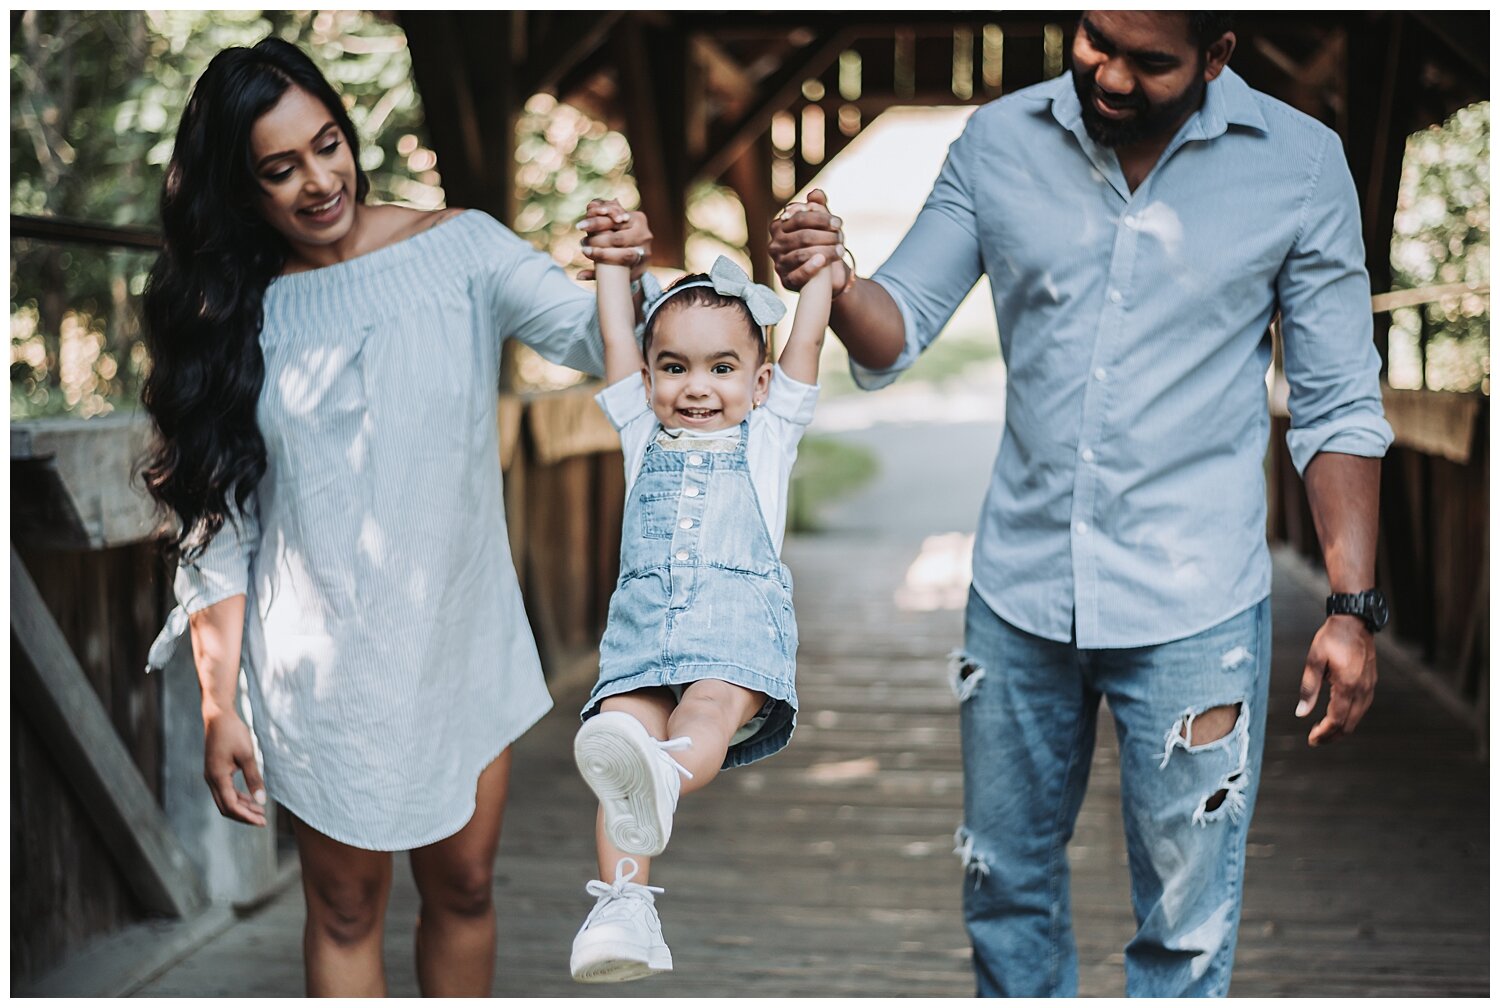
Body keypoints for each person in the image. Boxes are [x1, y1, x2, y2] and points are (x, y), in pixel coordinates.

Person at [768, 11, 1392, 998]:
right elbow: (894, 331)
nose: (1107, 74)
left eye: (1150, 62)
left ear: (1218, 56)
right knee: (1005, 897)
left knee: (1185, 937)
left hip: (1198, 610)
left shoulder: (1302, 167)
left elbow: (1337, 401)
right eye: (1095, 39)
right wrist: (836, 282)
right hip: (1019, 598)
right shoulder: (999, 142)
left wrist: (1352, 608)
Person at [139, 37, 652, 996]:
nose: (317, 181)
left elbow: (594, 337)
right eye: (279, 170)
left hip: (460, 639)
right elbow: (218, 526)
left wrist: (629, 273)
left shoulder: (461, 248)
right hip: (318, 671)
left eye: (327, 144)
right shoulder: (231, 313)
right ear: (240, 189)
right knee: (341, 911)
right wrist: (219, 703)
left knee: (463, 887)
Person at [565, 229, 835, 982]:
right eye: (674, 367)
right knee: (620, 734)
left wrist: (819, 277)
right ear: (648, 377)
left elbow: (807, 338)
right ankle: (625, 907)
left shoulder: (769, 435)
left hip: (733, 628)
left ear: (759, 383)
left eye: (723, 368)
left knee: (706, 715)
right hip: (642, 635)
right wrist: (615, 270)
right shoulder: (638, 428)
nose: (696, 386)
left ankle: (663, 778)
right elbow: (618, 332)